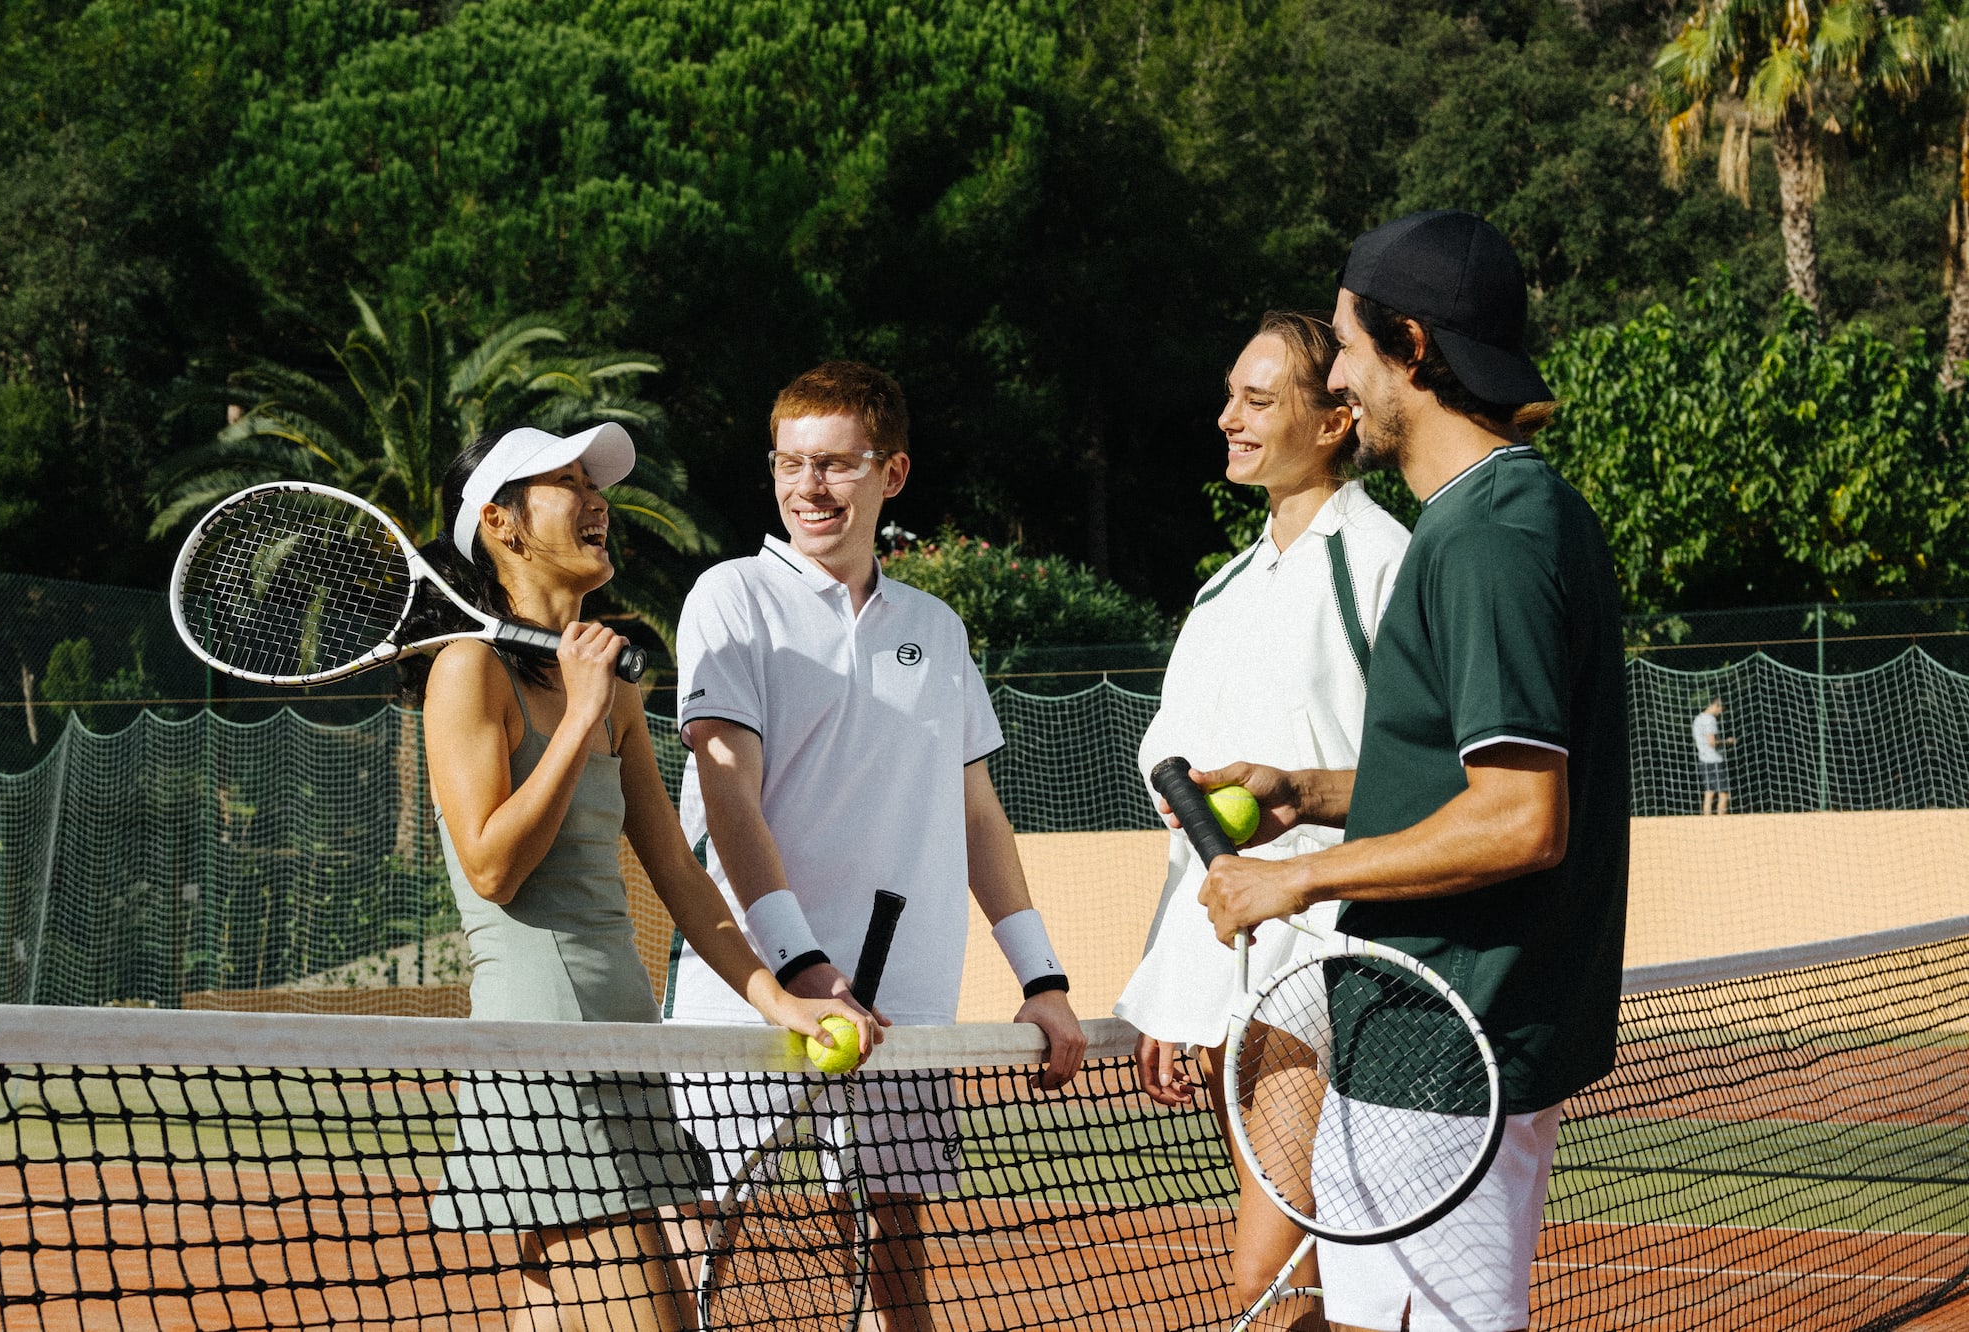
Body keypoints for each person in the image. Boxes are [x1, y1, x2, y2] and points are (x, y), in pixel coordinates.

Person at [1183, 211, 1630, 1332]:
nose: (1337, 372)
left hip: (1444, 1048)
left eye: (1345, 343)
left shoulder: (1486, 537)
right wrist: (1314, 793)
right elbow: (1474, 780)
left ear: (1412, 349)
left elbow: (1523, 817)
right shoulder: (1508, 515)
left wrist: (1291, 881)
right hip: (1436, 1038)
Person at [419, 424, 875, 1332]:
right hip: (543, 1051)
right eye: (565, 485)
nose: (598, 503)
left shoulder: (612, 681)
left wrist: (777, 996)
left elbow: (677, 870)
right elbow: (492, 865)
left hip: (625, 1040)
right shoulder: (466, 671)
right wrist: (582, 706)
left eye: (597, 485)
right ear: (502, 526)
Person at [664, 360, 1088, 1332]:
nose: (809, 487)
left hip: (904, 1002)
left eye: (836, 465)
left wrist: (1043, 976)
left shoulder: (936, 630)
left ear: (891, 474)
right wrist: (802, 968)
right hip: (750, 996)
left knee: (896, 1259)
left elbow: (978, 815)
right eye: (790, 463)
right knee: (696, 1245)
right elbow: (729, 798)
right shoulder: (729, 599)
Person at [1115, 311, 1409, 1330]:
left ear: (1333, 423)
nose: (1226, 417)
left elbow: (1431, 771)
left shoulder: (1382, 560)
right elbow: (1181, 807)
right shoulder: (1220, 592)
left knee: (1269, 1278)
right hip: (1229, 957)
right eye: (1229, 395)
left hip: (1328, 955)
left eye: (1258, 398)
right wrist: (1176, 984)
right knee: (1305, 1284)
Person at [1693, 697, 1736, 814]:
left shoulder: (1698, 719)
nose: (1720, 713)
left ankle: (1707, 824)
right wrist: (1727, 742)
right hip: (1714, 761)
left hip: (1703, 760)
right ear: (1716, 706)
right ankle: (1722, 823)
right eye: (1721, 710)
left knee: (1709, 793)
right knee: (1724, 793)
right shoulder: (1710, 720)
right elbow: (1712, 742)